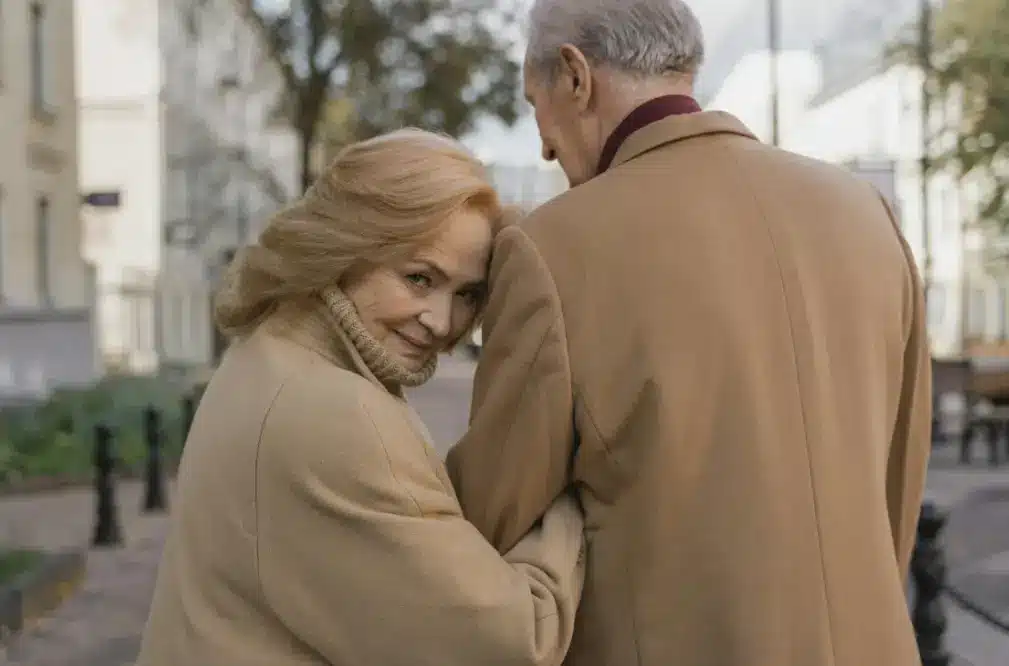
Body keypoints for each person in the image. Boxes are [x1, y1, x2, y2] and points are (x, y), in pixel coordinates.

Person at [446, 1, 932, 664]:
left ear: (575, 75)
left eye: (536, 104)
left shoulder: (550, 247)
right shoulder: (865, 213)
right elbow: (898, 479)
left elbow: (494, 516)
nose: (542, 144)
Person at [135, 129, 585, 666]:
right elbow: (511, 644)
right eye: (418, 278)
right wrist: (570, 505)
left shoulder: (267, 353)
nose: (442, 323)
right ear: (346, 250)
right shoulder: (338, 414)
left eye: (467, 296)